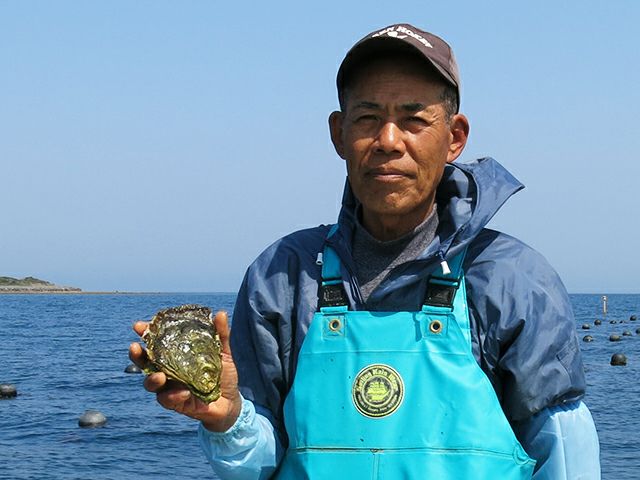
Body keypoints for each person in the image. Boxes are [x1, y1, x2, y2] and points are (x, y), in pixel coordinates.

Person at [130, 23, 600, 479]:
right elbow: (261, 463)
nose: (388, 141)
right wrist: (228, 419)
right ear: (339, 133)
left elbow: (563, 453)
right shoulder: (283, 276)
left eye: (414, 120)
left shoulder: (515, 280)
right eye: (368, 118)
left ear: (454, 137)